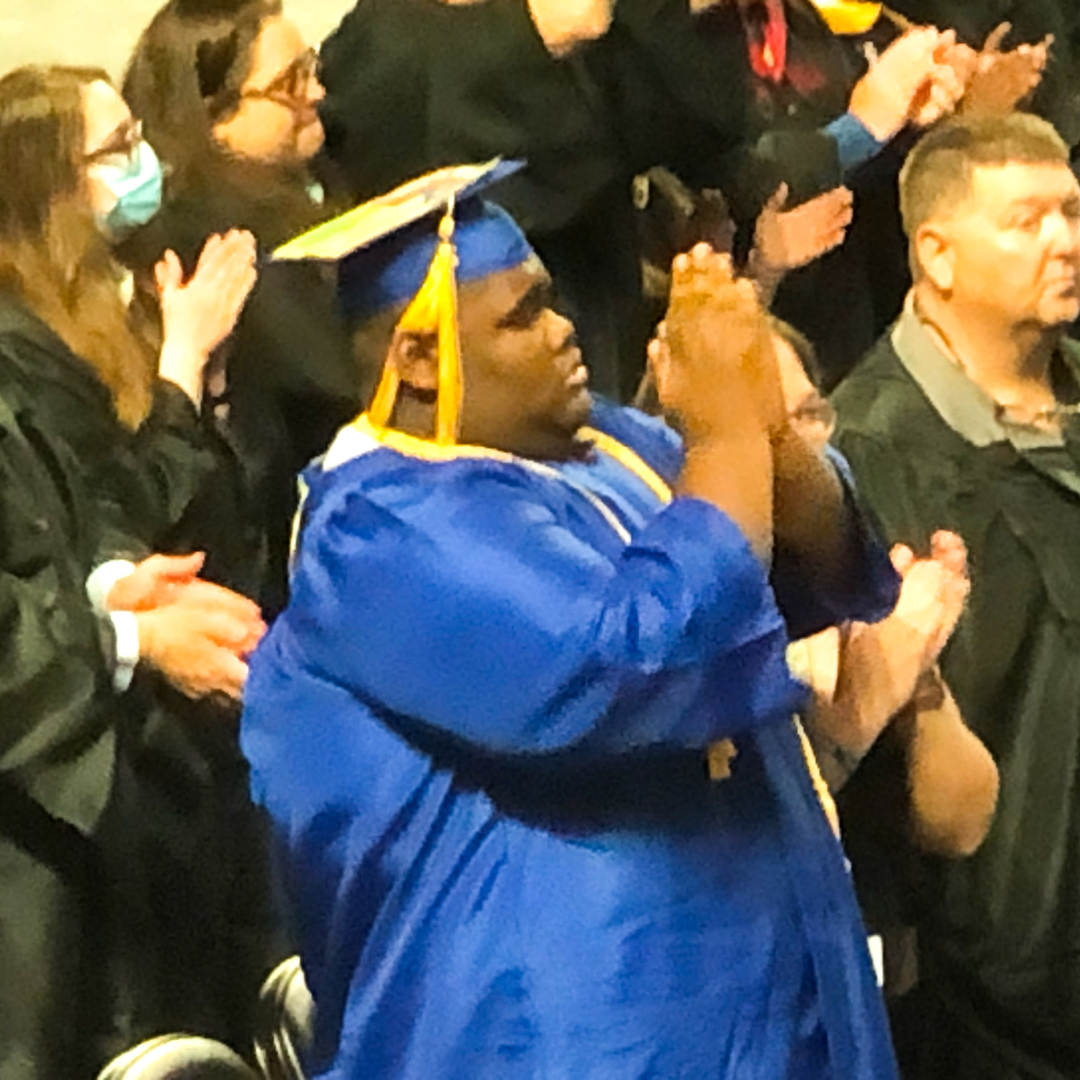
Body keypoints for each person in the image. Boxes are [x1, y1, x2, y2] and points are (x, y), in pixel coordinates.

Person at [241, 162, 903, 1078]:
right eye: (523, 314)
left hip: (755, 1007)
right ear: (421, 357)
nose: (565, 331)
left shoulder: (611, 448)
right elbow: (625, 660)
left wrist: (762, 425)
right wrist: (721, 440)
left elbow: (821, 571)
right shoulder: (376, 528)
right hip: (546, 1035)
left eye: (554, 301)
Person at [0, 63, 277, 1056]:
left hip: (151, 789)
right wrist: (122, 630)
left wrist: (117, 582)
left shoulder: (91, 317)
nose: (146, 166)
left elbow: (73, 531)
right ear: (45, 183)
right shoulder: (17, 353)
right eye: (114, 150)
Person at [832, 112, 1080, 1079]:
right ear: (935, 252)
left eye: (1070, 212)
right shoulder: (871, 449)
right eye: (1025, 222)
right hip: (1000, 960)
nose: (1063, 241)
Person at [122, 0, 363, 616]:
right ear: (213, 114)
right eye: (289, 82)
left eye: (309, 67)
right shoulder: (213, 233)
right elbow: (331, 379)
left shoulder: (306, 182)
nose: (318, 91)